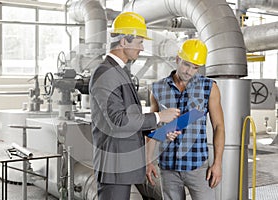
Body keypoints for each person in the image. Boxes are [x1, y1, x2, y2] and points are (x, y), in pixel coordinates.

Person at [89, 12, 180, 200]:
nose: (142, 47)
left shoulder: (120, 71)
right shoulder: (105, 73)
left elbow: (130, 118)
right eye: (139, 41)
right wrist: (159, 116)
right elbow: (119, 121)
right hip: (114, 166)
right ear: (124, 42)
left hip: (123, 164)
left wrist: (158, 130)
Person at [146, 39, 225, 200]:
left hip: (197, 165)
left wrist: (217, 163)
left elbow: (219, 127)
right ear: (177, 59)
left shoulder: (209, 87)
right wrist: (148, 160)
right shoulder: (157, 88)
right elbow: (152, 128)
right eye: (186, 64)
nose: (189, 71)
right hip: (168, 166)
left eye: (195, 67)